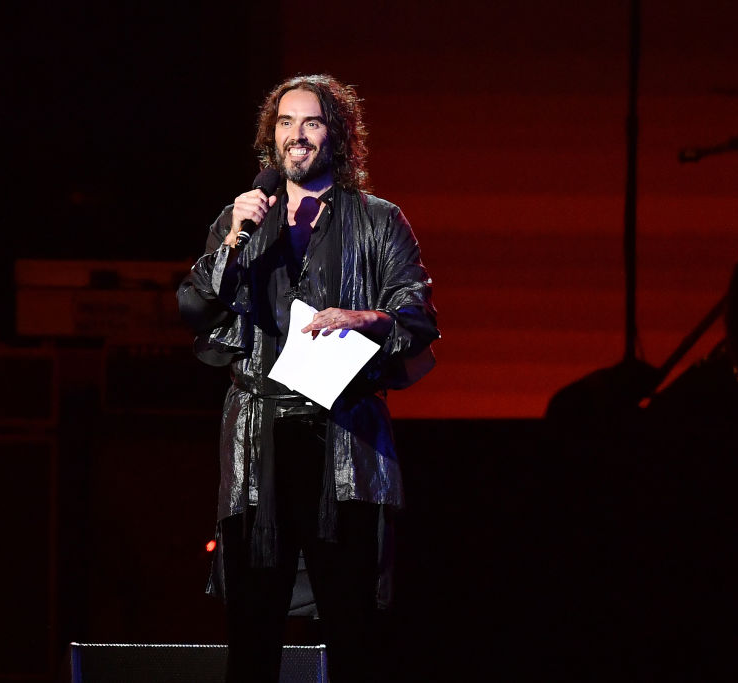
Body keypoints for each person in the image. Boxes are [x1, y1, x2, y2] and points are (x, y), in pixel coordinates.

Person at [177, 73, 439, 683]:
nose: (297, 136)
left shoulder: (378, 220)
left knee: (352, 625)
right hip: (256, 441)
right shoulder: (241, 217)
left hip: (340, 439)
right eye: (285, 123)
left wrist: (362, 317)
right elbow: (193, 307)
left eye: (312, 122)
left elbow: (418, 316)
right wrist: (235, 239)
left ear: (337, 135)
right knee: (252, 625)